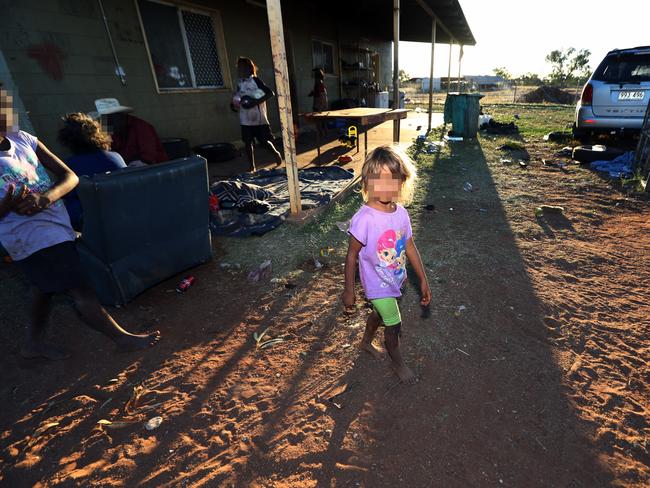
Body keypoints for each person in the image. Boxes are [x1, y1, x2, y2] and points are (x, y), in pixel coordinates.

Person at [0, 87, 160, 360]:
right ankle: (122, 338)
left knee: (44, 286)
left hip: (55, 223)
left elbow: (70, 176)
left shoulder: (24, 139)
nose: (7, 111)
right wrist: (7, 205)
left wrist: (45, 198)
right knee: (80, 287)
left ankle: (32, 343)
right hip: (27, 235)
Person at [342, 145, 431, 384]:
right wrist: (349, 290)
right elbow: (351, 256)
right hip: (375, 284)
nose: (384, 186)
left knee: (379, 314)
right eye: (377, 179)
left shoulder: (401, 214)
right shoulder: (364, 219)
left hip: (394, 278)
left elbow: (410, 246)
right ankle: (398, 363)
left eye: (391, 179)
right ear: (366, 182)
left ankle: (364, 342)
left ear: (402, 182)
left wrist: (422, 278)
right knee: (394, 323)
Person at [58, 112, 126, 230]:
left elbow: (65, 195)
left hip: (90, 222)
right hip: (123, 213)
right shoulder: (115, 157)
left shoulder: (69, 166)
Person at [231, 57, 282, 172]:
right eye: (239, 68)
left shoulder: (255, 81)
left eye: (243, 67)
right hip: (245, 119)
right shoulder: (239, 84)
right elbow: (238, 98)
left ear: (250, 68)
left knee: (264, 142)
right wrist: (235, 104)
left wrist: (255, 101)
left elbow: (270, 93)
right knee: (247, 143)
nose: (240, 70)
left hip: (258, 119)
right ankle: (252, 166)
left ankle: (276, 153)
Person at [94, 98, 168, 165]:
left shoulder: (141, 127)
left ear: (120, 116)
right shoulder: (110, 131)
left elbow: (149, 157)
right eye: (102, 120)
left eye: (108, 119)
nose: (104, 124)